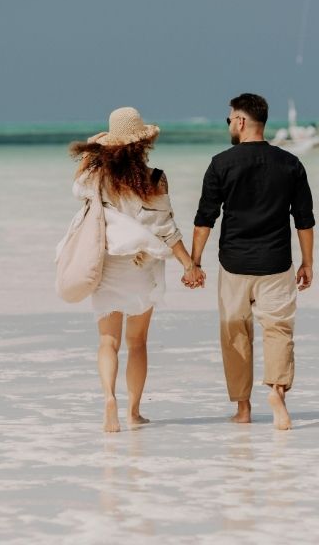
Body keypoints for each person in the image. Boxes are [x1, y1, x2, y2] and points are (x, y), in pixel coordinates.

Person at [69, 107, 204, 433]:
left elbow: (76, 187)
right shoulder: (156, 178)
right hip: (142, 266)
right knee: (138, 342)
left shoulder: (96, 178)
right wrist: (190, 266)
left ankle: (109, 400)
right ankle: (133, 411)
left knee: (108, 342)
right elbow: (167, 229)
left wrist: (94, 150)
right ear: (143, 142)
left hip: (108, 265)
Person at [189, 93, 315, 430]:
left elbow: (205, 219)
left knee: (235, 333)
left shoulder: (221, 163)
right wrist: (308, 263)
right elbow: (304, 219)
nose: (229, 123)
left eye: (229, 118)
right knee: (278, 330)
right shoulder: (291, 164)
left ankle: (243, 408)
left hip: (234, 264)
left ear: (241, 121)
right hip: (276, 262)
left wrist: (194, 262)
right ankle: (277, 393)